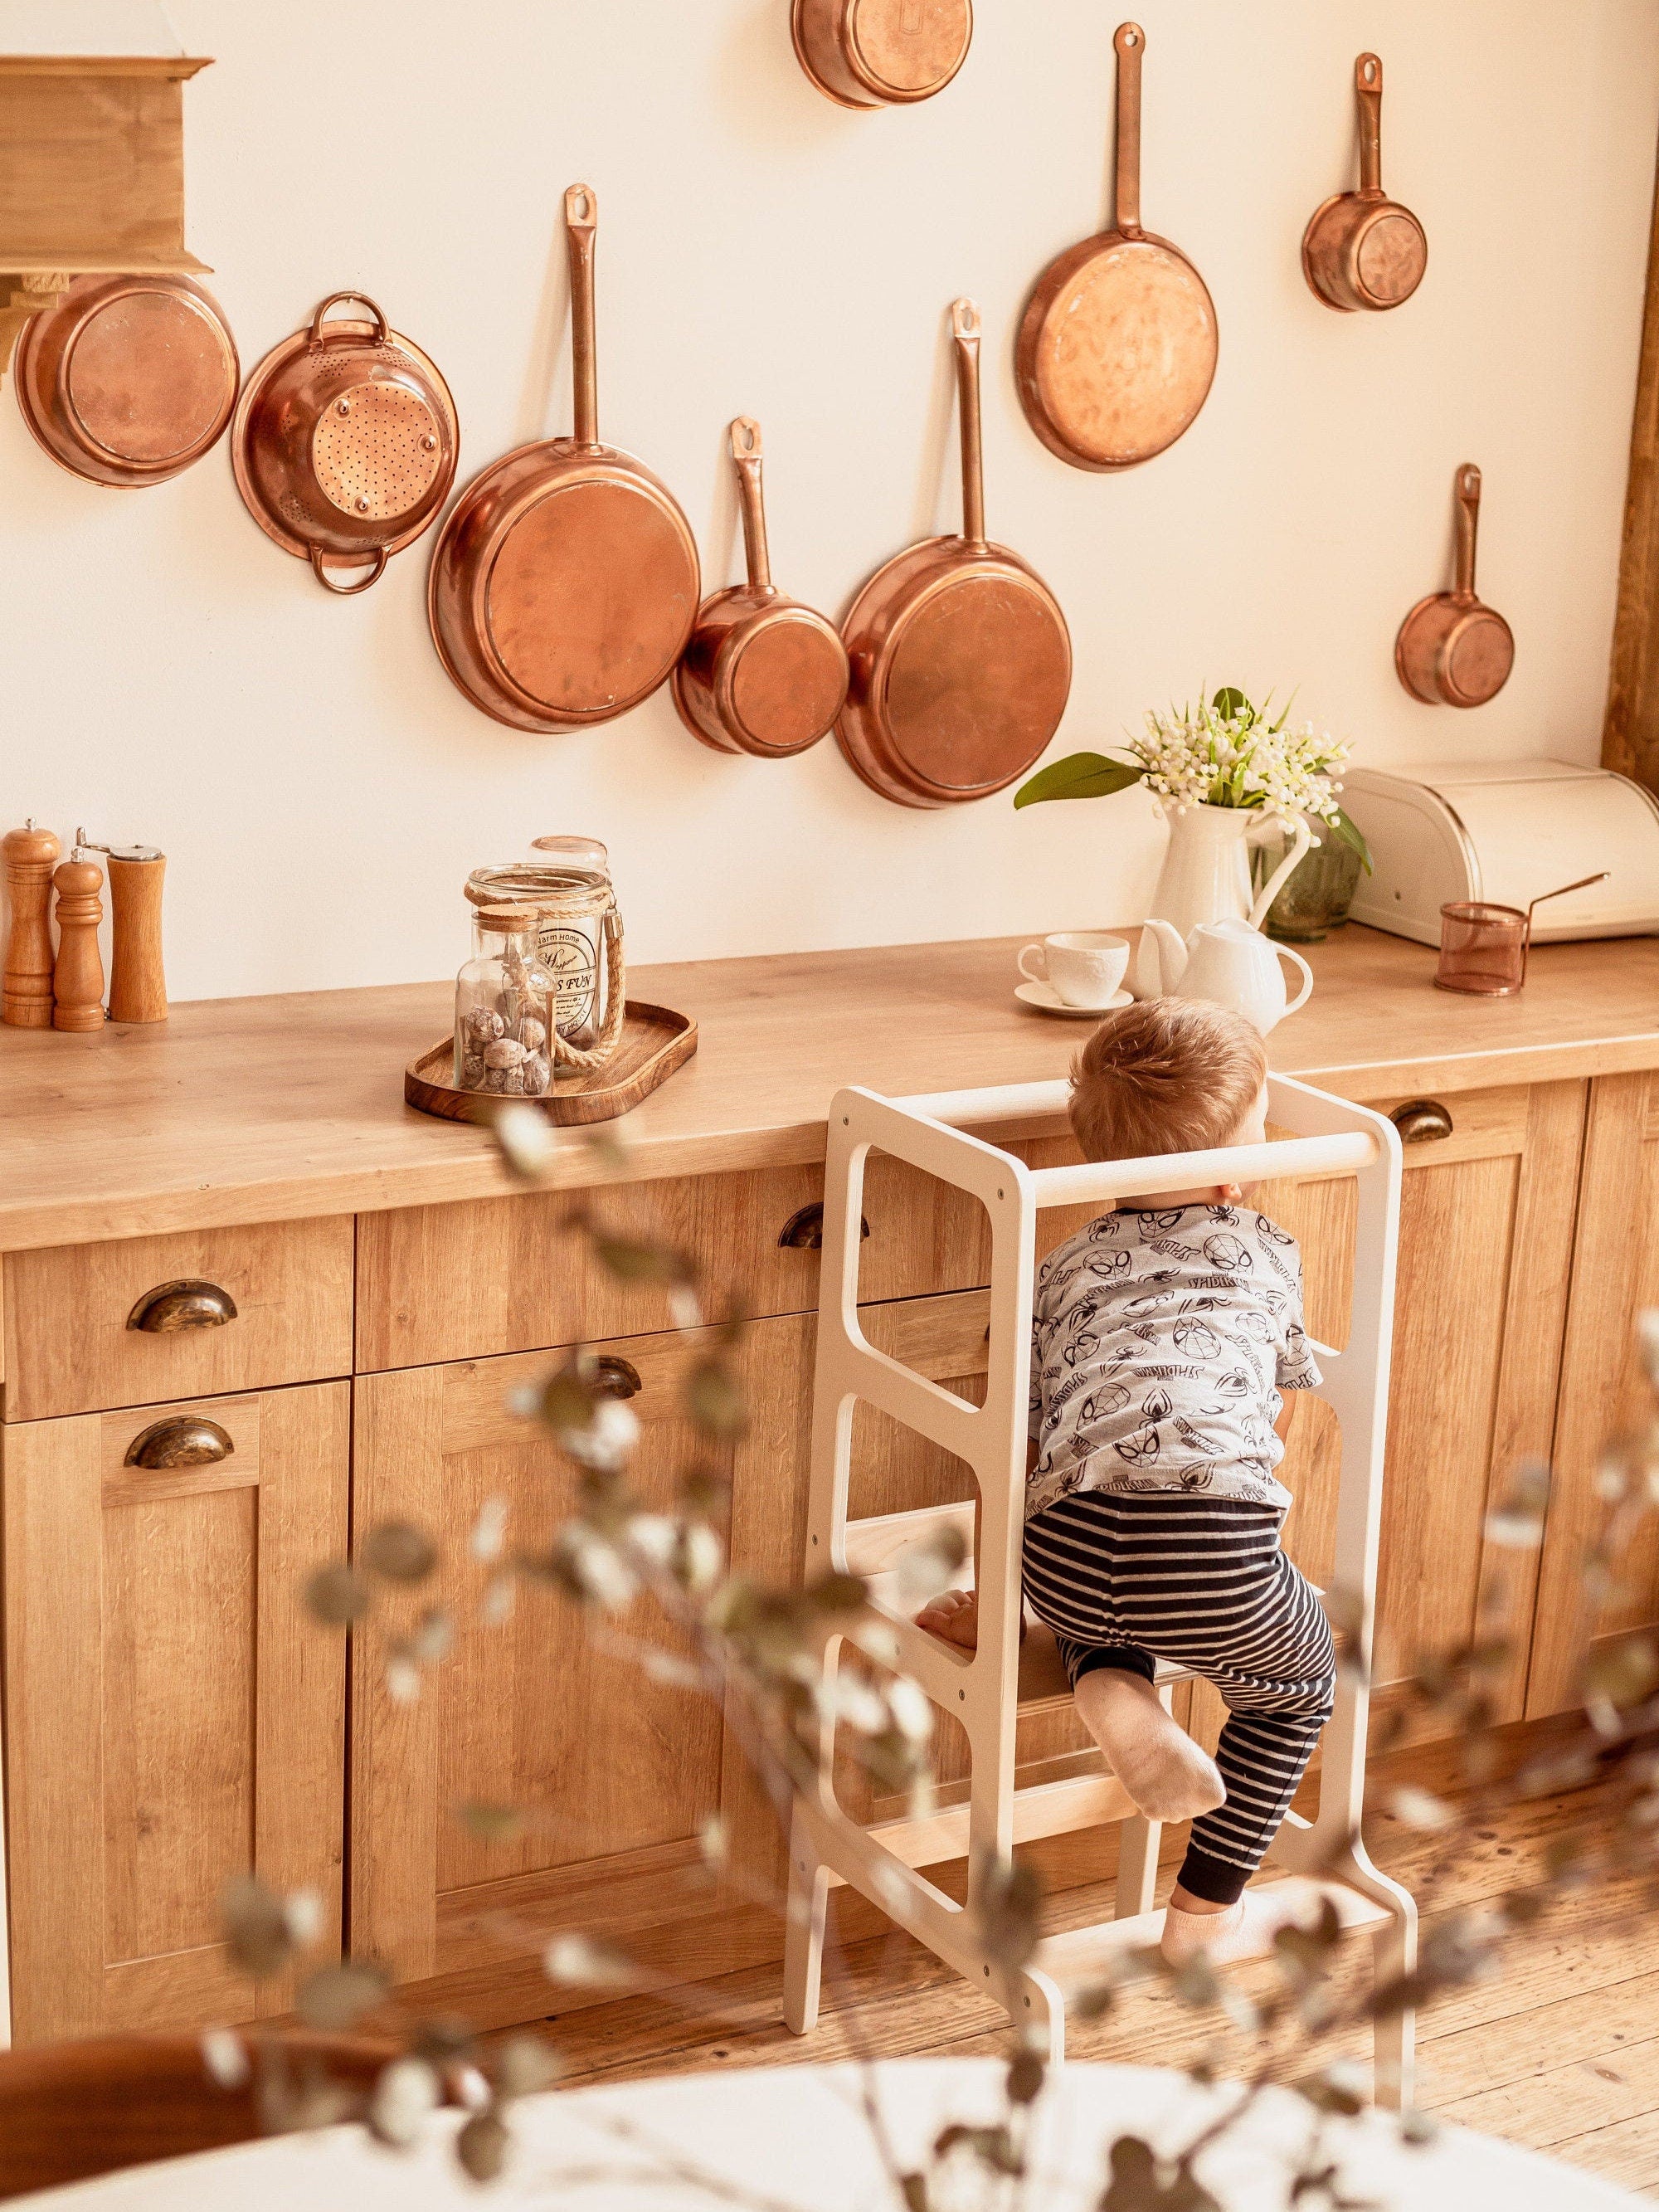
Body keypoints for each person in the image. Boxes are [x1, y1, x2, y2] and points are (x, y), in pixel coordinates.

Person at [917, 997, 1335, 1964]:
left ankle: (1109, 1686)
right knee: (1296, 1684)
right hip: (1209, 1547)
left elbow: (1009, 1436)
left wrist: (1004, 1601)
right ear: (1235, 1163)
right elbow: (1272, 1404)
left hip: (1061, 1546)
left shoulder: (1059, 1264)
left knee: (1105, 1610)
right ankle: (1202, 1914)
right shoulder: (1265, 1247)